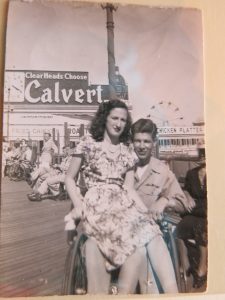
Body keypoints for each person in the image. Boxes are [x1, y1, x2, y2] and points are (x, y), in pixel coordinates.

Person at [65, 99, 179, 294]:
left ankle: (172, 292)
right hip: (97, 201)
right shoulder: (88, 143)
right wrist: (78, 205)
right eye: (114, 118)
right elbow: (69, 178)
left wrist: (145, 212)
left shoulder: (127, 150)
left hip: (122, 203)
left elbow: (129, 188)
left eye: (123, 120)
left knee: (153, 232)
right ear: (105, 118)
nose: (119, 123)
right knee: (130, 240)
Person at [130, 118, 193, 293]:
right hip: (127, 232)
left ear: (154, 143)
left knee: (151, 261)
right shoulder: (124, 168)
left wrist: (165, 201)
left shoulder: (162, 170)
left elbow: (183, 204)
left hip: (153, 232)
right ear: (132, 142)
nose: (142, 146)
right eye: (137, 141)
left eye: (146, 141)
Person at [176, 146, 207, 289]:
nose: (202, 156)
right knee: (180, 227)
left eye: (205, 153)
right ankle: (187, 264)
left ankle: (202, 268)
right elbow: (187, 189)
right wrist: (187, 196)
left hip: (208, 211)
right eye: (200, 153)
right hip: (194, 210)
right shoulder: (191, 173)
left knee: (201, 227)